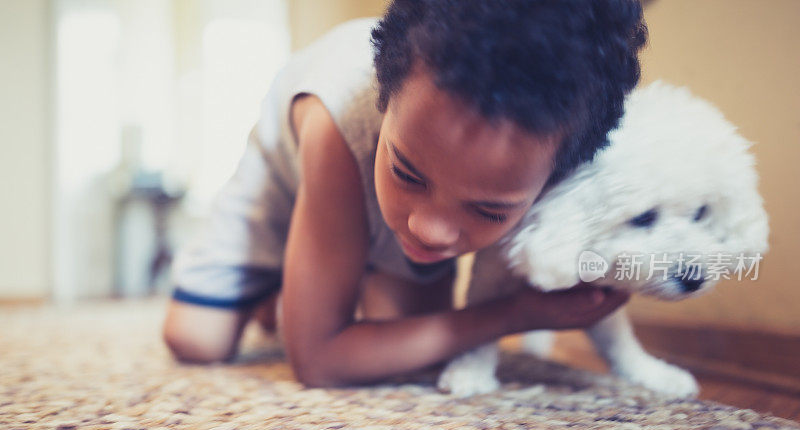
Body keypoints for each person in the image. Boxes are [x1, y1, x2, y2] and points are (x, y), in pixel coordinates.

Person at [163, 0, 647, 387]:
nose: (427, 229)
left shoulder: (559, 148)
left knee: (404, 346)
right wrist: (513, 315)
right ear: (383, 97)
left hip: (368, 171)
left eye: (488, 209)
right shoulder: (336, 124)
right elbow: (319, 362)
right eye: (408, 175)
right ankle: (284, 275)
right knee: (196, 338)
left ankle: (322, 262)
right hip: (291, 168)